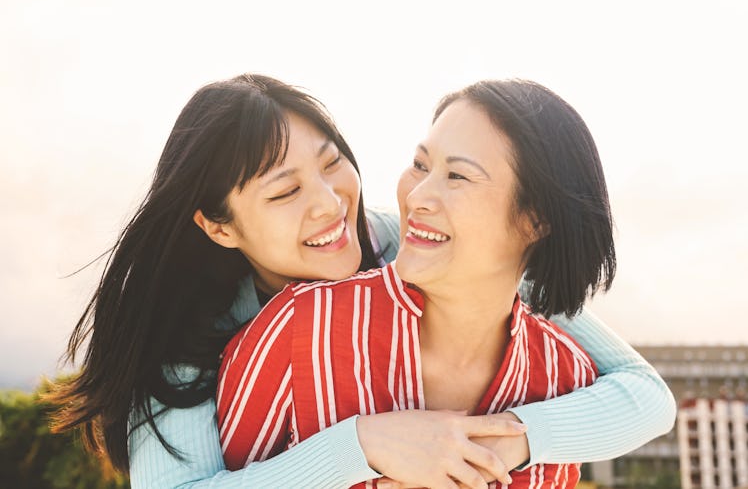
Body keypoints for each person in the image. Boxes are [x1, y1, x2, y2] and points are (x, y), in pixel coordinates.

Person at [46, 74, 675, 489]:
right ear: (219, 226)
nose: (328, 205)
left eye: (331, 164)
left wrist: (501, 443)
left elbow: (644, 395)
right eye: (286, 191)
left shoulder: (411, 241)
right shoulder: (189, 336)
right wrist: (365, 445)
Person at [216, 79, 629, 488]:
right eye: (420, 166)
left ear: (534, 219)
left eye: (457, 176)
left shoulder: (567, 382)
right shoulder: (297, 329)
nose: (416, 198)